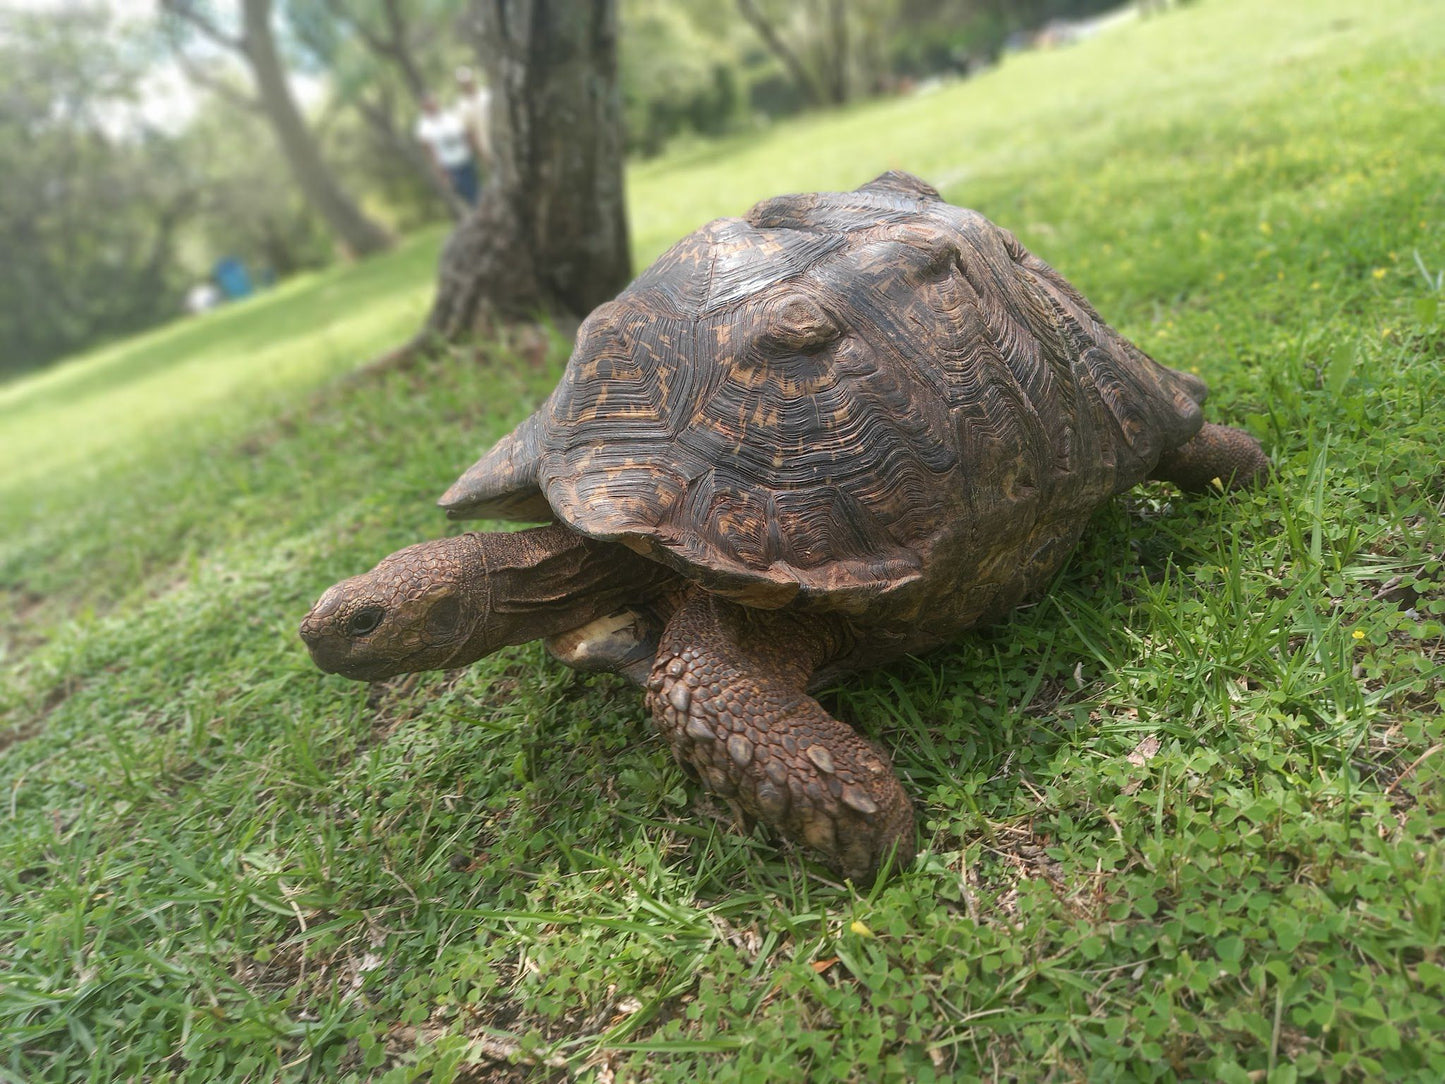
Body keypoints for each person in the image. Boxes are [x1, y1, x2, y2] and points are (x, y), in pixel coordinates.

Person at [415, 93, 478, 206]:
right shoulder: (424, 127)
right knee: (467, 193)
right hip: (449, 166)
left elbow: (465, 132)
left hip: (465, 158)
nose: (432, 107)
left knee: (475, 189)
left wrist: (471, 148)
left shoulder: (449, 117)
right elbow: (429, 152)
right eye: (428, 105)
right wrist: (440, 172)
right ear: (424, 108)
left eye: (433, 104)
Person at [454, 66, 493, 172]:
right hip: (486, 146)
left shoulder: (487, 94)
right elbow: (468, 132)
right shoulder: (461, 106)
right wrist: (481, 154)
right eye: (464, 83)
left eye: (468, 81)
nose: (467, 85)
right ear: (460, 85)